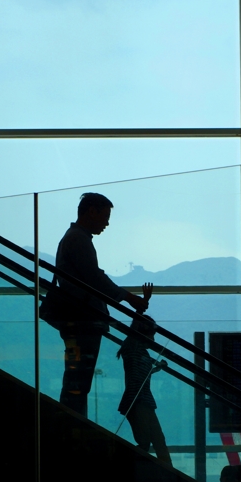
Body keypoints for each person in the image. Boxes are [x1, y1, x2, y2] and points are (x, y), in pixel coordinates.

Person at [54, 193, 148, 417]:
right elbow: (94, 278)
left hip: (78, 320)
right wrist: (127, 296)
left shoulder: (74, 237)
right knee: (78, 382)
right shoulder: (78, 239)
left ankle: (73, 423)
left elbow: (91, 277)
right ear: (91, 212)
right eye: (105, 216)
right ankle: (72, 425)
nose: (107, 223)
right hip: (83, 321)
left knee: (77, 381)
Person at [116, 293, 171, 465]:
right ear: (143, 333)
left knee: (157, 441)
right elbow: (134, 327)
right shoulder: (132, 347)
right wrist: (143, 304)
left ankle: (168, 474)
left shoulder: (140, 352)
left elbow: (140, 373)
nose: (153, 339)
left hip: (144, 401)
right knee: (146, 442)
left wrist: (157, 368)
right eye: (151, 334)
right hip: (137, 400)